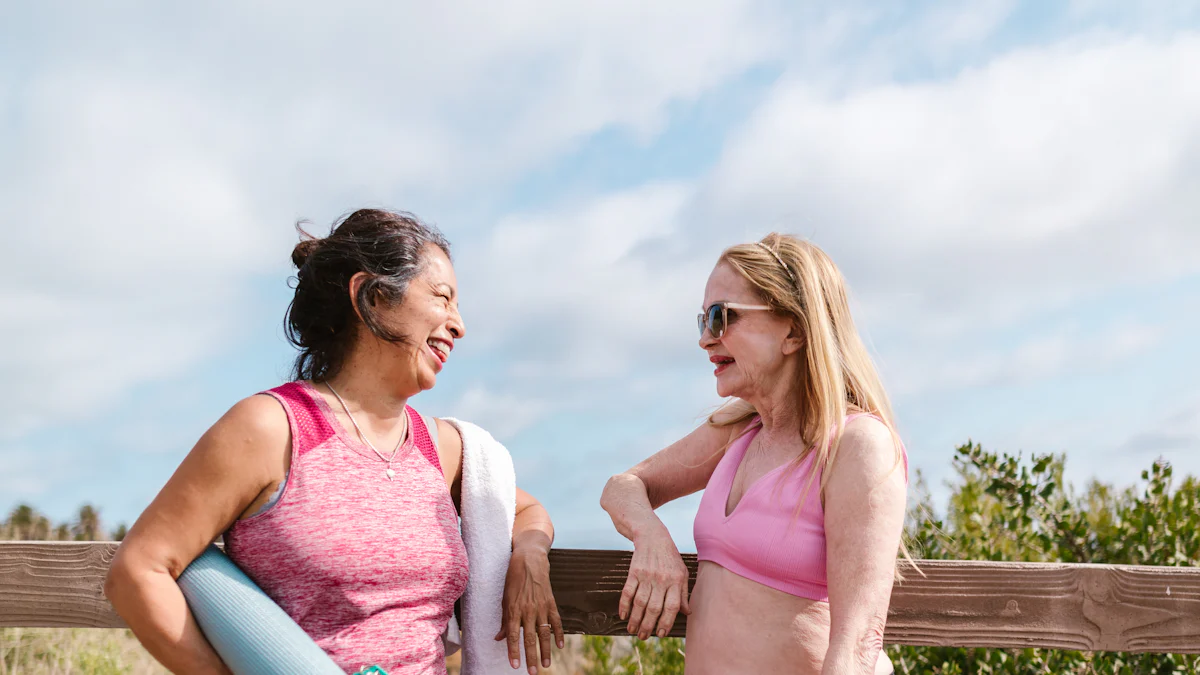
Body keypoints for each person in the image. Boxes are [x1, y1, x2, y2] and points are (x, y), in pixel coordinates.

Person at [106, 209, 562, 675]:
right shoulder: (271, 428)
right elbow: (139, 571)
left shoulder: (438, 446)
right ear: (373, 296)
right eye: (443, 298)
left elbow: (522, 511)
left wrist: (528, 555)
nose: (458, 325)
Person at [600, 234, 908, 674]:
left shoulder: (857, 447)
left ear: (795, 331)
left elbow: (857, 646)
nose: (706, 339)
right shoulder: (738, 430)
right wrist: (652, 539)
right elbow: (623, 486)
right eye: (703, 320)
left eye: (722, 317)